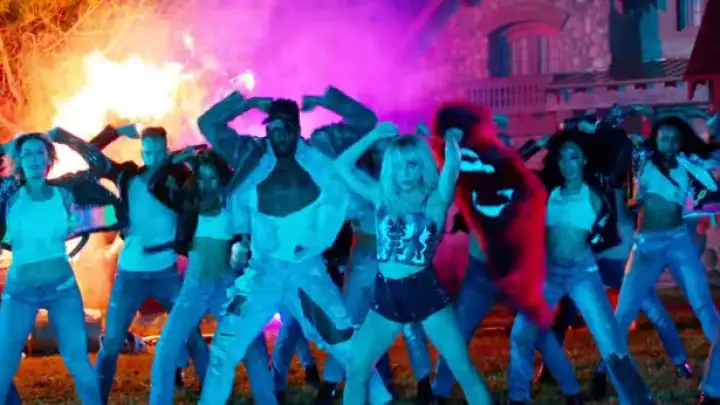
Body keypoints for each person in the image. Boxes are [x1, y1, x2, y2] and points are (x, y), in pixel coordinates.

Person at [196, 92, 392, 405]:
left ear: (297, 128)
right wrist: (245, 103)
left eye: (286, 128)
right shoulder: (250, 154)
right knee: (223, 350)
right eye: (273, 128)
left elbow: (365, 121)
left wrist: (328, 99)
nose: (280, 136)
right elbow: (208, 123)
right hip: (263, 271)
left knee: (346, 344)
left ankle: (382, 399)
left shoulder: (321, 149)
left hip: (307, 271)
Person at [336, 122, 492, 405]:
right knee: (357, 370)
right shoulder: (382, 197)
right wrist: (373, 135)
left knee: (463, 370)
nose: (405, 174)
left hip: (424, 293)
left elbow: (452, 167)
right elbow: (342, 166)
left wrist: (450, 141)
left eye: (411, 165)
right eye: (397, 166)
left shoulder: (435, 200)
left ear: (422, 166)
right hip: (387, 294)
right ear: (389, 168)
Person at [506, 129, 653, 405]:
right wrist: (537, 143)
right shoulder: (547, 191)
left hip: (581, 273)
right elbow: (509, 169)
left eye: (573, 157)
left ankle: (637, 400)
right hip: (549, 273)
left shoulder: (595, 196)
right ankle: (518, 397)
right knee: (521, 334)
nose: (567, 164)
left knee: (611, 342)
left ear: (584, 161)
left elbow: (609, 227)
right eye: (562, 157)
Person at [0, 128, 125, 404]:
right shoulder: (7, 194)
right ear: (19, 160)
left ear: (49, 159)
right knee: (3, 365)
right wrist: (9, 146)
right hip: (20, 292)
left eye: (40, 152)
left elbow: (98, 164)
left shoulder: (65, 192)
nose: (34, 158)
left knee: (78, 361)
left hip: (61, 290)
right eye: (27, 153)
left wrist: (64, 137)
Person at [86, 125, 210, 404]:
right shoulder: (128, 177)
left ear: (166, 150)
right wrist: (115, 131)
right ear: (142, 152)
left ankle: (213, 393)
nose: (153, 158)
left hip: (166, 272)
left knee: (192, 334)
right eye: (148, 152)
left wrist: (183, 158)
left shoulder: (179, 179)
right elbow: (91, 154)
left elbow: (207, 175)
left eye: (158, 152)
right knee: (112, 342)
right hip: (130, 274)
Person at [146, 146, 275, 405]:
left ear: (222, 177)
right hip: (194, 288)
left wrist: (246, 246)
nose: (207, 183)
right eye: (202, 178)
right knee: (166, 347)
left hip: (225, 287)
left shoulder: (232, 204)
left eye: (212, 177)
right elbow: (154, 185)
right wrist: (174, 159)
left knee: (253, 346)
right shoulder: (188, 203)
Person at [613, 117, 720, 397]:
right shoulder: (643, 161)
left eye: (674, 139)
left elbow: (711, 188)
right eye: (664, 138)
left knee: (703, 305)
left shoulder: (687, 166)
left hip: (678, 242)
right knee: (623, 312)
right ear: (656, 140)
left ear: (681, 141)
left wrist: (692, 162)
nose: (669, 144)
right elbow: (627, 185)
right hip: (646, 245)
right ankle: (607, 371)